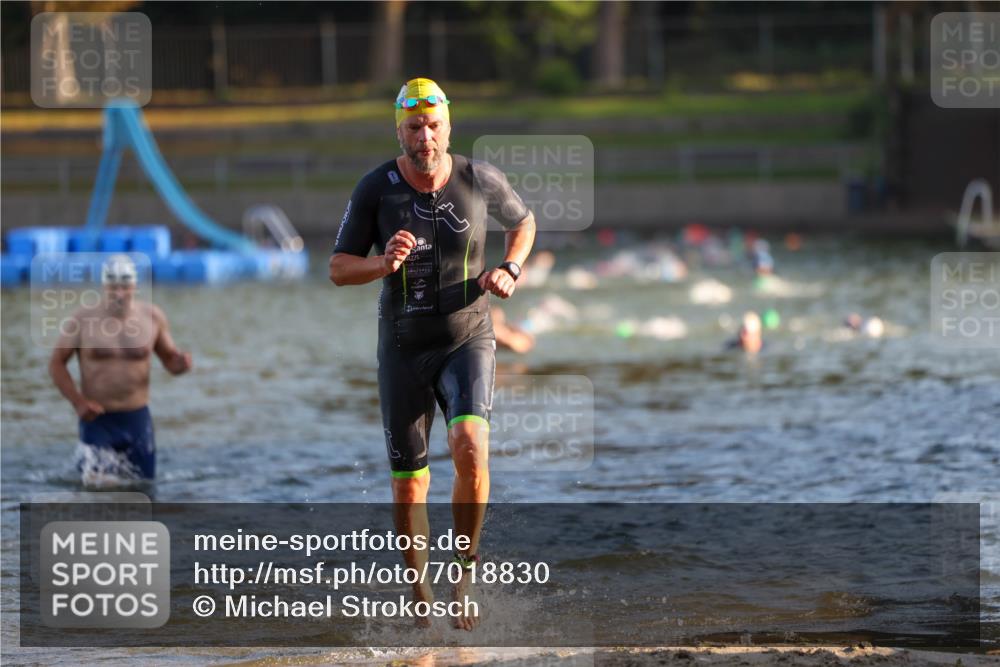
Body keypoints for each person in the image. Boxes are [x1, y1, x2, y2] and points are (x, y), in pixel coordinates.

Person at [328, 78, 536, 631]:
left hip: (467, 336)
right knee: (409, 484)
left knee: (470, 443)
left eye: (434, 125)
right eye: (414, 127)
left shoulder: (478, 177)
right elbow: (337, 267)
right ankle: (421, 594)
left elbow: (524, 223)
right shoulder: (377, 189)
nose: (425, 137)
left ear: (449, 125)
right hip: (402, 349)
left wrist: (510, 268)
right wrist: (382, 263)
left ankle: (464, 574)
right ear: (400, 131)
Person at [48, 254, 192, 486]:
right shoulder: (83, 319)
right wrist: (78, 402)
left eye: (124, 286)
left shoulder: (153, 317)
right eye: (113, 287)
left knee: (144, 490)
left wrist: (181, 364)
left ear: (134, 285)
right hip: (97, 421)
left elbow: (170, 361)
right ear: (104, 286)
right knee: (97, 490)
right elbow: (56, 363)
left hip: (137, 421)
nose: (119, 293)